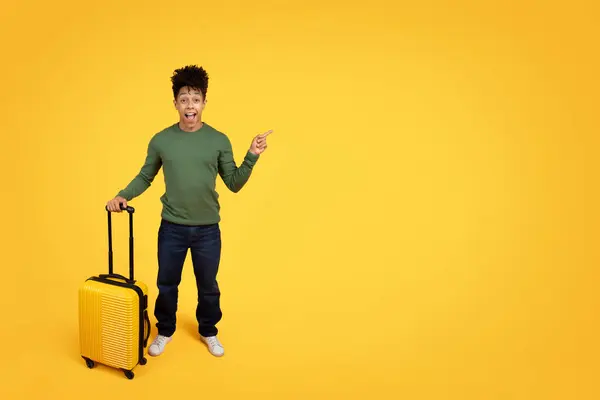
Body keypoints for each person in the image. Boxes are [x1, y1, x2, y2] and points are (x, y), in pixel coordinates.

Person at [106, 65, 272, 358]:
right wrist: (122, 194)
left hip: (208, 230)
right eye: (184, 99)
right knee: (167, 283)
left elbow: (233, 183)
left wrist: (252, 156)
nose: (190, 105)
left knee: (208, 286)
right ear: (175, 104)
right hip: (172, 227)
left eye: (196, 99)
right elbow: (145, 176)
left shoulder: (218, 140)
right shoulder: (161, 140)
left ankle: (209, 331)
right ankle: (165, 330)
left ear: (204, 103)